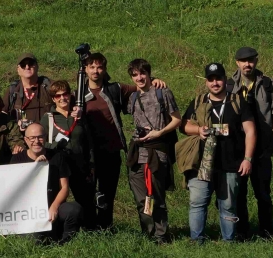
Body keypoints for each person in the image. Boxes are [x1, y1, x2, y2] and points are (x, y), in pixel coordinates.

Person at [80, 52, 167, 231]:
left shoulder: (115, 89)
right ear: (86, 70)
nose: (96, 71)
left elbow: (141, 85)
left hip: (111, 150)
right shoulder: (79, 94)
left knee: (107, 193)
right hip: (87, 153)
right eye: (92, 67)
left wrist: (155, 79)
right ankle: (89, 229)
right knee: (87, 193)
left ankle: (105, 228)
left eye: (100, 67)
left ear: (104, 69)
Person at [180, 62, 256, 243]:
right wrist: (197, 130)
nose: (215, 83)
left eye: (218, 79)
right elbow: (183, 125)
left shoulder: (238, 101)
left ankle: (228, 243)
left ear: (224, 79)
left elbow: (251, 131)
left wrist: (247, 159)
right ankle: (196, 241)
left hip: (231, 164)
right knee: (197, 204)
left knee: (228, 206)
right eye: (211, 79)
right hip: (201, 164)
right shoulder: (199, 101)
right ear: (206, 82)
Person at [125, 59, 181, 242]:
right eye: (135, 75)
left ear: (149, 74)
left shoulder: (162, 92)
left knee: (156, 196)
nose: (139, 78)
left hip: (157, 151)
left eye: (143, 73)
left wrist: (159, 133)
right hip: (137, 152)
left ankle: (161, 235)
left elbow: (176, 120)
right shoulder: (133, 97)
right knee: (141, 198)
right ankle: (147, 234)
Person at [228, 47, 273, 238]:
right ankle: (241, 232)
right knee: (239, 195)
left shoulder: (268, 84)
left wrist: (272, 140)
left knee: (263, 195)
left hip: (263, 150)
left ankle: (267, 232)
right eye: (243, 61)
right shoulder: (229, 86)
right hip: (238, 150)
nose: (247, 64)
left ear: (256, 61)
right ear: (237, 63)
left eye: (251, 60)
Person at [11, 123, 82, 243]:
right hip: (29, 212)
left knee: (74, 209)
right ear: (26, 140)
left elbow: (64, 187)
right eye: (32, 138)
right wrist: (35, 167)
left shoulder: (57, 157)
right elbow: (15, 189)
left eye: (40, 137)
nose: (36, 141)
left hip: (53, 206)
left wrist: (54, 207)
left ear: (45, 137)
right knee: (35, 240)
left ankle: (66, 242)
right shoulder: (17, 160)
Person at [39, 80, 96, 229]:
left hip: (79, 165)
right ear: (53, 99)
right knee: (57, 201)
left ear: (70, 95)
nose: (62, 98)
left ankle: (89, 232)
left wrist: (91, 163)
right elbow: (38, 143)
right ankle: (57, 230)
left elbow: (88, 141)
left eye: (65, 94)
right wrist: (54, 145)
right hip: (59, 168)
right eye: (58, 96)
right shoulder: (48, 118)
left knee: (86, 201)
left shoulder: (78, 115)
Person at [3, 53, 53, 133]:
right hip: (22, 139)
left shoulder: (48, 86)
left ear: (37, 66)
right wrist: (17, 123)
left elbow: (65, 101)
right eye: (23, 65)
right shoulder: (13, 90)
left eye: (30, 64)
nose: (27, 67)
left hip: (46, 138)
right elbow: (2, 115)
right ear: (18, 70)